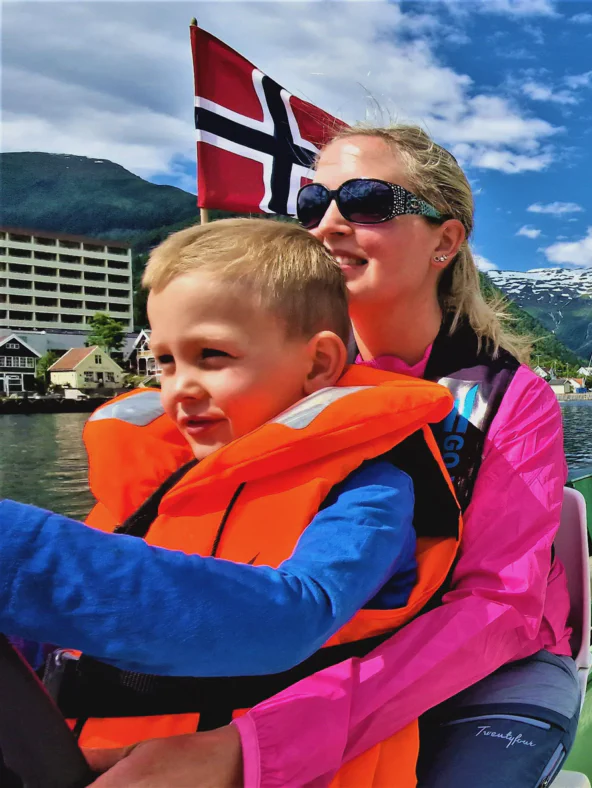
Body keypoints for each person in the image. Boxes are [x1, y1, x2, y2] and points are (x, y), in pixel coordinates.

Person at [86, 125, 577, 788]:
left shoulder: (508, 401)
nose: (331, 223)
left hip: (488, 667)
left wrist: (258, 744)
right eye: (314, 204)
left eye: (369, 202)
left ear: (445, 240)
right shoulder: (269, 375)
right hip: (317, 643)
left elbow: (499, 606)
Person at [0, 218, 463, 785]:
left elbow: (294, 617)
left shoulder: (368, 490)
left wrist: (18, 556)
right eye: (165, 361)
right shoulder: (157, 490)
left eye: (212, 355)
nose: (179, 388)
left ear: (318, 363)